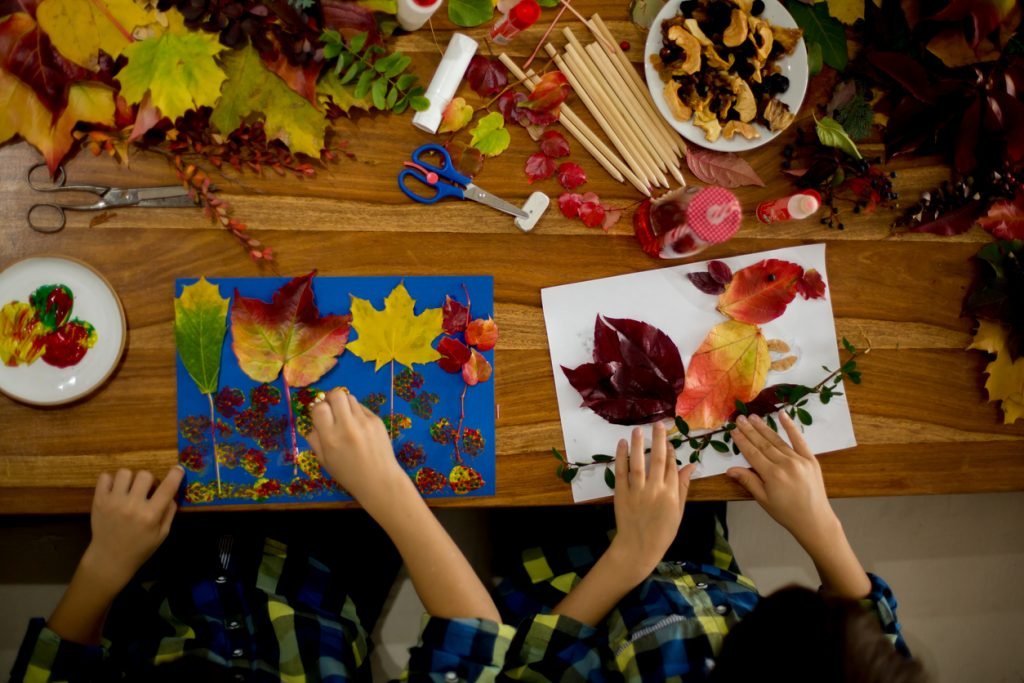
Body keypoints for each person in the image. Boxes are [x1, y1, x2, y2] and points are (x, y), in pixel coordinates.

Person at [10, 388, 510, 681]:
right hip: (334, 579)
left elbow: (56, 668)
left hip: (160, 565)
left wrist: (104, 566)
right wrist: (386, 489)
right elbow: (476, 643)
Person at [486, 413, 928, 681]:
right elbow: (877, 633)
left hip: (566, 573)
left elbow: (530, 667)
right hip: (694, 547)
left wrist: (631, 556)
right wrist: (820, 526)